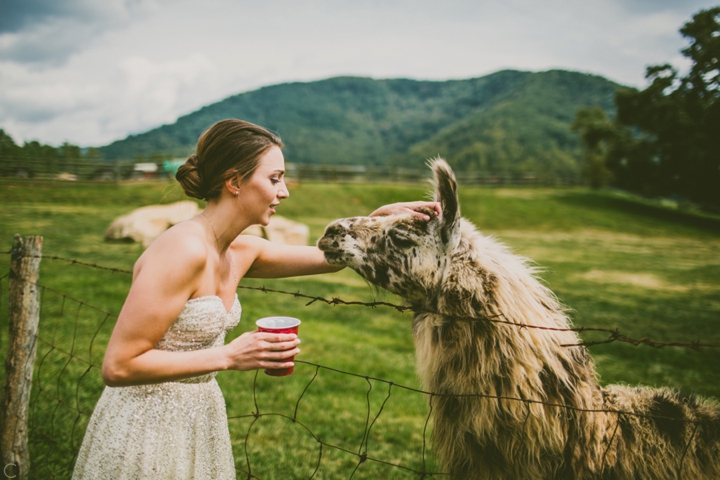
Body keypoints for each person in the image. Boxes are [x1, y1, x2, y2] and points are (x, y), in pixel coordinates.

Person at [72, 118, 441, 479]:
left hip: (199, 418)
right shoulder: (181, 249)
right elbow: (118, 365)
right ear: (234, 181)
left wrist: (378, 219)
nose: (284, 191)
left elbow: (331, 259)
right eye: (274, 179)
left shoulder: (242, 250)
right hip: (145, 427)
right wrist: (230, 356)